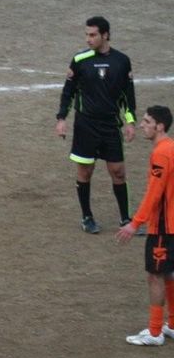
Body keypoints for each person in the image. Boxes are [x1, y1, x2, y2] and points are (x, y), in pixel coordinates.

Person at [55, 16, 137, 234]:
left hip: (111, 125)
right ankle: (87, 217)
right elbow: (68, 92)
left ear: (105, 35)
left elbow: (127, 95)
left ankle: (125, 219)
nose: (88, 39)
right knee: (85, 171)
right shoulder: (80, 60)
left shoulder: (122, 61)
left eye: (92, 35)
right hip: (86, 125)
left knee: (118, 172)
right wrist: (61, 118)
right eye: (87, 35)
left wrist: (130, 121)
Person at [116, 106, 174, 346]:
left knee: (155, 275)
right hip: (170, 225)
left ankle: (154, 332)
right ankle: (172, 324)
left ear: (160, 126)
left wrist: (135, 223)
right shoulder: (170, 148)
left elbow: (154, 193)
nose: (142, 125)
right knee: (168, 272)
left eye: (147, 122)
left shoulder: (161, 153)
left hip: (162, 227)